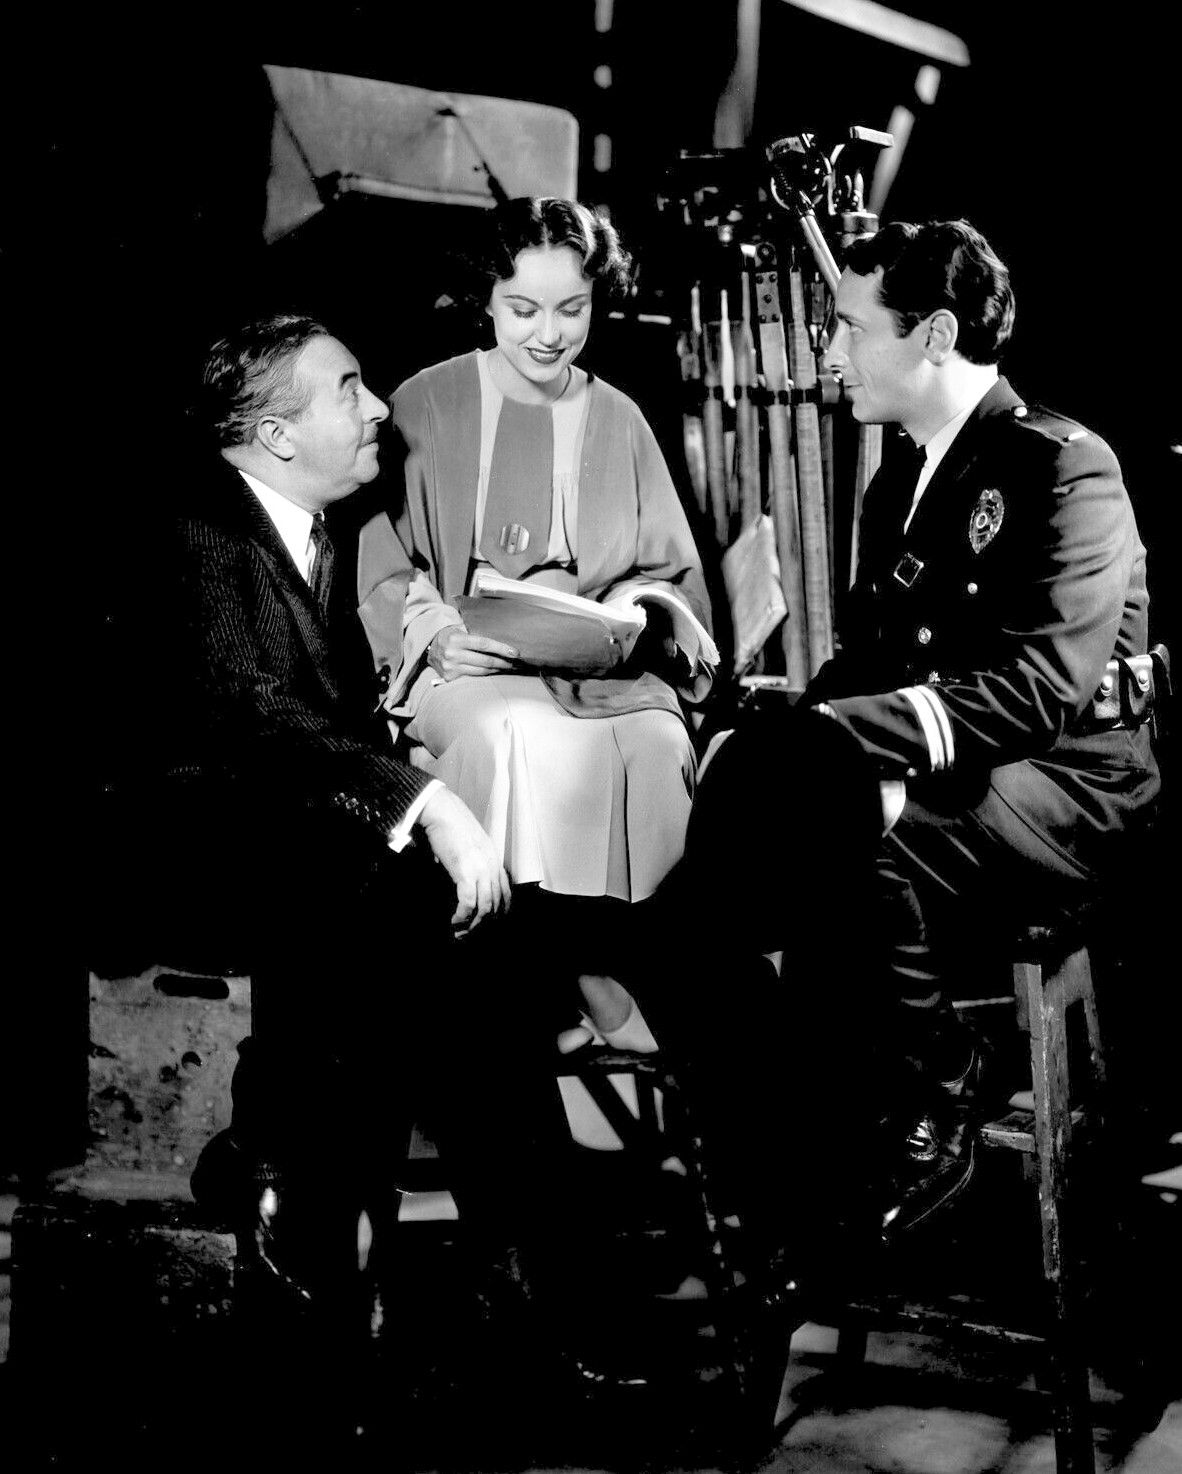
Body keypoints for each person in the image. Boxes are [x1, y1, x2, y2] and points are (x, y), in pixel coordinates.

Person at [670, 219, 1160, 1252]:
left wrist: (835, 742)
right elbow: (870, 658)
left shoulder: (1067, 467)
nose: (830, 352)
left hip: (1072, 789)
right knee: (726, 866)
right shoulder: (902, 476)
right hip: (961, 778)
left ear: (935, 334)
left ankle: (939, 1085)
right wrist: (779, 730)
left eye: (851, 328)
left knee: (858, 819)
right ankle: (785, 1179)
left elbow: (1041, 690)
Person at [174, 314, 587, 1446]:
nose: (377, 410)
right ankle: (510, 1306)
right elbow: (257, 719)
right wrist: (429, 805)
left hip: (298, 844)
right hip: (191, 851)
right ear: (274, 434)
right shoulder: (206, 534)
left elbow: (328, 721)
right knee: (437, 935)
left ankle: (316, 1206)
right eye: (349, 389)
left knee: (459, 952)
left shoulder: (320, 531)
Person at [356, 196, 716, 1050]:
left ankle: (625, 969)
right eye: (523, 309)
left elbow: (669, 571)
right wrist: (437, 634)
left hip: (596, 670)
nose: (548, 334)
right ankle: (524, 992)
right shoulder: (427, 402)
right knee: (508, 734)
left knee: (655, 745)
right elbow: (382, 565)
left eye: (571, 309)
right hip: (465, 661)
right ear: (486, 298)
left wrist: (638, 610)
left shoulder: (620, 417)